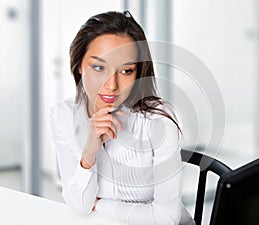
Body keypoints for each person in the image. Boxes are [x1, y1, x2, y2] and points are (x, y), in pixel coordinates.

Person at [49, 11, 195, 225]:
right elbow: (78, 206)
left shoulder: (158, 120)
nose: (112, 85)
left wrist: (100, 205)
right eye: (99, 67)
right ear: (79, 66)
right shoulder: (62, 116)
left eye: (126, 71)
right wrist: (89, 152)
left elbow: (166, 218)